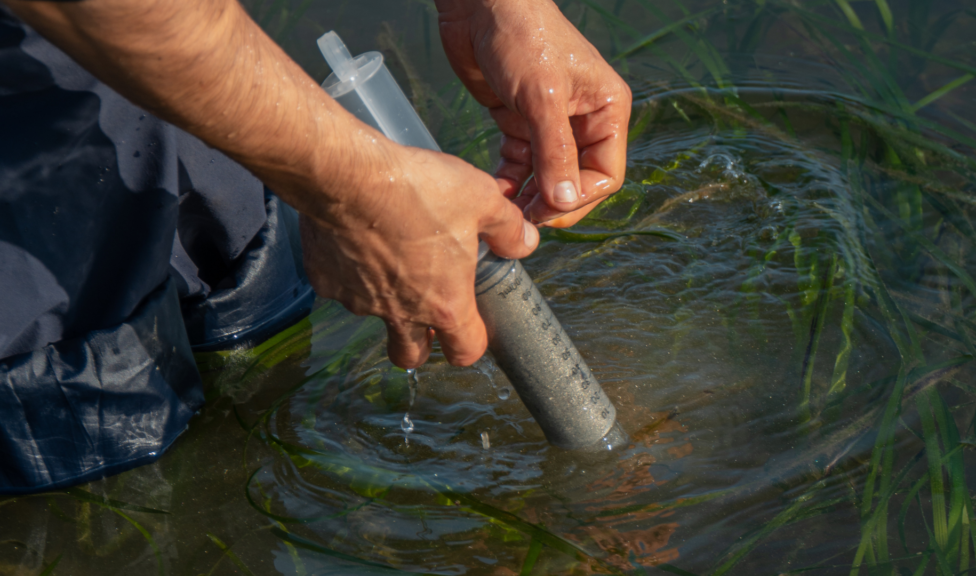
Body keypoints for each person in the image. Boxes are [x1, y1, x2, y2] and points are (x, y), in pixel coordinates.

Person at [0, 0, 631, 493]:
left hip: (203, 69)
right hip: (29, 173)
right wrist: (353, 188)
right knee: (117, 492)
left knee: (255, 341)